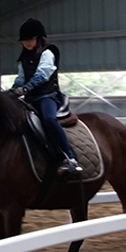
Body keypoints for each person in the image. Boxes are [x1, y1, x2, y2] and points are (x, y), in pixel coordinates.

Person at [11, 18, 84, 176]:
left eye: (30, 40)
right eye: (24, 41)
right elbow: (20, 78)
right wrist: (12, 90)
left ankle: (70, 158)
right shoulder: (23, 58)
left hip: (47, 96)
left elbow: (42, 74)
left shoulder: (47, 52)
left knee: (49, 120)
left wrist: (26, 88)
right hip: (30, 99)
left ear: (39, 38)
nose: (27, 43)